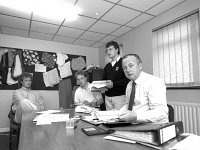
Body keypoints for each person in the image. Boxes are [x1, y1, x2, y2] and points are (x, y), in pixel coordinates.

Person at [119, 54, 168, 123]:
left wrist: (136, 116)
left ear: (140, 66)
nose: (128, 70)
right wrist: (117, 114)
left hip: (153, 126)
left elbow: (161, 113)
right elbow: (128, 104)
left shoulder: (154, 82)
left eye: (131, 66)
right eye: (124, 68)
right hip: (134, 124)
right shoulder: (129, 85)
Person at [102, 41, 129, 110]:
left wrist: (114, 84)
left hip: (119, 97)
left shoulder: (123, 62)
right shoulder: (107, 66)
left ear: (117, 50)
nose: (108, 52)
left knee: (119, 119)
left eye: (110, 49)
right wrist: (98, 86)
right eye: (107, 50)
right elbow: (103, 80)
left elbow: (128, 80)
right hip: (107, 97)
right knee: (109, 119)